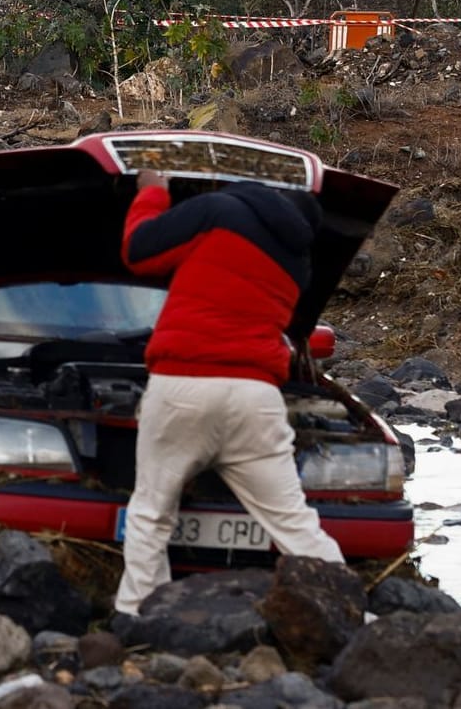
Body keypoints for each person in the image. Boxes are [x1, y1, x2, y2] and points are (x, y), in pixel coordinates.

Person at [114, 169, 344, 617]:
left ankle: (137, 613)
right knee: (294, 523)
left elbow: (138, 252)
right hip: (255, 397)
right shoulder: (299, 261)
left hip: (184, 383)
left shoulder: (218, 211)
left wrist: (153, 192)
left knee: (152, 511)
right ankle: (345, 610)